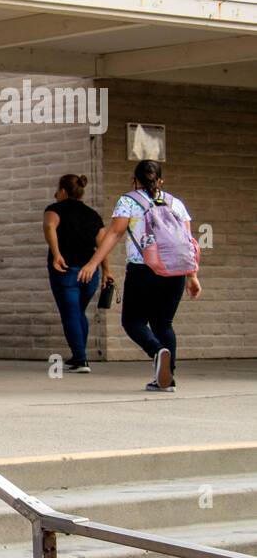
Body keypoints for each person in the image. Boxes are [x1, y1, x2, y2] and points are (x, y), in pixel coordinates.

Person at [78, 160, 202, 392]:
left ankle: (157, 353)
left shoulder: (129, 201)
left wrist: (94, 263)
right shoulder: (176, 204)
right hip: (175, 271)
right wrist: (192, 276)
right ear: (160, 181)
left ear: (134, 181)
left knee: (132, 321)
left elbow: (114, 233)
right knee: (164, 324)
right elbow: (186, 243)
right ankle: (167, 379)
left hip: (143, 269)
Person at [43, 174, 110, 372]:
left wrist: (56, 254)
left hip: (66, 271)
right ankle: (78, 356)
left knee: (70, 314)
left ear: (63, 190)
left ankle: (81, 359)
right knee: (78, 312)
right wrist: (106, 270)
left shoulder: (54, 209)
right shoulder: (93, 215)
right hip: (90, 274)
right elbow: (103, 244)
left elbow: (49, 225)